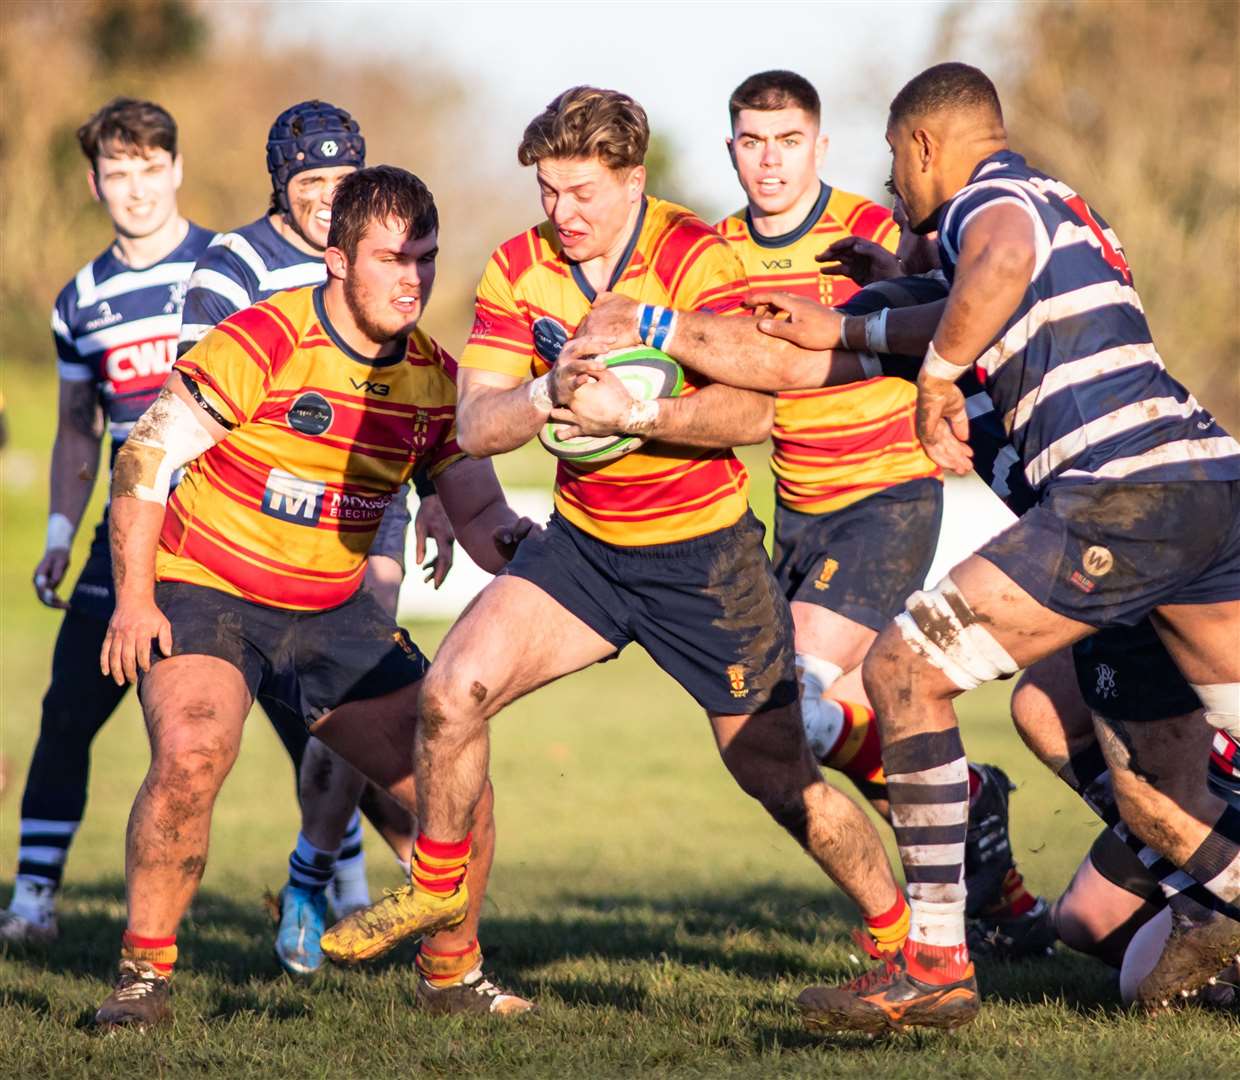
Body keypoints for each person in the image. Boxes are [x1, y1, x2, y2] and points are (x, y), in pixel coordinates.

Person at [320, 86, 916, 971]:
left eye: (582, 193)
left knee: (779, 779)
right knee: (452, 692)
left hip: (705, 559)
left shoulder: (693, 255)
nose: (562, 214)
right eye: (548, 191)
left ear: (633, 180)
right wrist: (546, 392)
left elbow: (753, 415)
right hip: (587, 549)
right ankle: (444, 919)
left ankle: (902, 934)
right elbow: (476, 423)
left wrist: (636, 418)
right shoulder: (518, 266)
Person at [774, 61, 1240, 1032]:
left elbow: (989, 267)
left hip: (1120, 499)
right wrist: (875, 319)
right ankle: (1204, 916)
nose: (896, 196)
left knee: (903, 670)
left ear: (922, 147)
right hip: (1205, 484)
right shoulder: (1059, 215)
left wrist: (937, 375)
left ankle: (935, 965)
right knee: (1127, 824)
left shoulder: (989, 200)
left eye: (896, 176)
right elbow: (930, 311)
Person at [92, 166, 536, 1029]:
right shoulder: (263, 338)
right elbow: (144, 458)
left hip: (332, 613)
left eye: (427, 259)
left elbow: (481, 511)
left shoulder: (433, 380)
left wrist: (538, 554)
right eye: (390, 258)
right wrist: (134, 599)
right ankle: (142, 980)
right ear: (336, 260)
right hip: (207, 587)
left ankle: (451, 977)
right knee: (191, 752)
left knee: (458, 793)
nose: (413, 278)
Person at [178, 100, 453, 974]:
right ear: (282, 186)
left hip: (367, 504)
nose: (330, 196)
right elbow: (194, 407)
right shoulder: (236, 266)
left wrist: (441, 488)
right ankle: (333, 880)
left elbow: (425, 409)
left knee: (350, 698)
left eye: (344, 180)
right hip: (255, 517)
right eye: (313, 183)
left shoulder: (390, 255)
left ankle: (318, 876)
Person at [0, 98, 213, 945]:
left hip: (229, 526)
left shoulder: (226, 266)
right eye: (117, 173)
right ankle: (33, 901)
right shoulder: (78, 300)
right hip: (126, 534)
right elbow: (76, 429)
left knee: (296, 708)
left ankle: (335, 885)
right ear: (94, 182)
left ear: (177, 169)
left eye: (149, 169)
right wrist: (58, 532)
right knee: (66, 712)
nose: (135, 190)